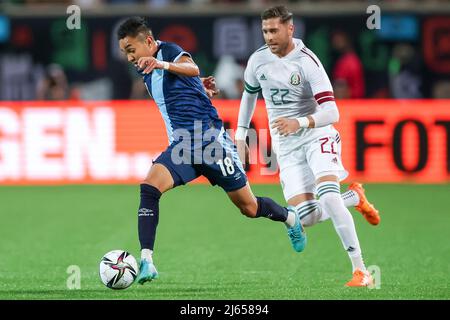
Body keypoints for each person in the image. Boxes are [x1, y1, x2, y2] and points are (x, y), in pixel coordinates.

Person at [117, 17, 306, 285]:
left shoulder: (165, 52)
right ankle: (147, 260)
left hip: (212, 145)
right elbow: (181, 84)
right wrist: (199, 86)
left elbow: (190, 67)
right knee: (149, 188)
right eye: (125, 52)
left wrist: (171, 67)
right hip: (182, 147)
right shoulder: (145, 67)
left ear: (148, 42)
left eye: (131, 49)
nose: (129, 57)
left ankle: (289, 217)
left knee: (249, 208)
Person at [235, 6, 380, 287]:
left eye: (274, 30)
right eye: (265, 30)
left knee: (327, 195)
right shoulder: (258, 61)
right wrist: (241, 134)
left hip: (317, 135)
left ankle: (361, 270)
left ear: (290, 29)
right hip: (287, 147)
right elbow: (249, 96)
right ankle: (354, 197)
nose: (269, 36)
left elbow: (332, 113)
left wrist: (299, 122)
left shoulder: (307, 62)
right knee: (309, 217)